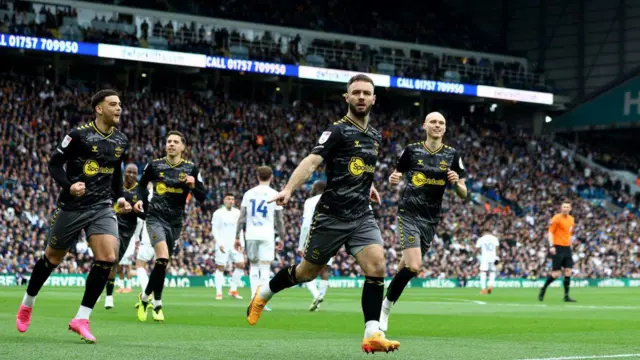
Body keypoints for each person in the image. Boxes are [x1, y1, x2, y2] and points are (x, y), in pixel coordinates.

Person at [246, 74, 400, 353]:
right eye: (356, 93)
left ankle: (372, 333)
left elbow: (358, 166)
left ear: (374, 99)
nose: (362, 97)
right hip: (332, 214)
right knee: (306, 273)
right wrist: (289, 189)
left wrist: (370, 186)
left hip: (361, 214)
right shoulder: (337, 131)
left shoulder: (375, 136)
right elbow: (312, 162)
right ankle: (264, 293)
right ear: (347, 98)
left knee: (377, 265)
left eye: (367, 93)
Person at [16, 90, 130, 343]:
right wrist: (69, 185)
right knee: (52, 258)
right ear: (99, 109)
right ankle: (28, 303)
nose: (119, 108)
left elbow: (116, 172)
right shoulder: (78, 136)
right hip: (72, 206)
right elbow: (54, 164)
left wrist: (120, 196)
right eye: (113, 104)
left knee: (108, 257)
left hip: (102, 206)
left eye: (120, 104)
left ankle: (81, 318)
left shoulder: (122, 140)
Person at [379, 112, 467, 333]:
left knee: (405, 267)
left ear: (445, 128)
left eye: (441, 123)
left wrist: (457, 184)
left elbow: (464, 193)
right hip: (409, 213)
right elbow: (395, 176)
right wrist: (393, 180)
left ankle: (385, 304)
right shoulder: (412, 150)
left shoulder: (453, 155)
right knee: (415, 266)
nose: (437, 125)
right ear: (424, 125)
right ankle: (385, 310)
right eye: (433, 122)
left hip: (431, 218)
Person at [133, 130, 207, 322]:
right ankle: (152, 301)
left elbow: (203, 196)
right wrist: (140, 200)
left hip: (175, 222)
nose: (171, 144)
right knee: (163, 258)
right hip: (155, 218)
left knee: (162, 265)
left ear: (183, 147)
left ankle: (152, 301)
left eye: (175, 142)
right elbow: (141, 185)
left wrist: (193, 185)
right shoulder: (155, 165)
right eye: (169, 141)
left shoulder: (191, 169)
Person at [236, 166, 285, 310]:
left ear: (257, 176)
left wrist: (236, 236)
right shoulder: (275, 194)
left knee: (254, 267)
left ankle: (253, 299)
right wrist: (281, 238)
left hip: (250, 234)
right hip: (266, 235)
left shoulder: (248, 193)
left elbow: (241, 217)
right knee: (265, 268)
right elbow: (279, 220)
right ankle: (261, 302)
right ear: (271, 177)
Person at [105, 164, 144, 309]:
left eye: (134, 172)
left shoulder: (140, 189)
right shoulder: (117, 186)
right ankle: (108, 297)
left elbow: (145, 213)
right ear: (124, 172)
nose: (132, 175)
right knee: (111, 259)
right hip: (113, 224)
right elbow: (108, 205)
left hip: (128, 230)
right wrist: (119, 209)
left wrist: (135, 210)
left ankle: (107, 293)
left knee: (114, 262)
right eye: (129, 172)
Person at [297, 180, 331, 311]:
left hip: (315, 237)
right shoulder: (333, 200)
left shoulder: (310, 201)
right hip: (331, 238)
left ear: (316, 189)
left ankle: (316, 295)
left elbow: (306, 225)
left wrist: (301, 245)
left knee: (305, 270)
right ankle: (319, 300)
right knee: (325, 270)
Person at [538, 200, 577, 302]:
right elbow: (550, 232)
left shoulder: (572, 219)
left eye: (567, 207)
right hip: (557, 247)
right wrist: (551, 246)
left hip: (567, 248)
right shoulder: (556, 218)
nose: (565, 209)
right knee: (556, 274)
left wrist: (570, 245)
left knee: (568, 271)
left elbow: (569, 234)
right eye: (564, 207)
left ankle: (566, 296)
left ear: (570, 209)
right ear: (561, 208)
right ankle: (543, 289)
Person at [211, 193, 245, 300]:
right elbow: (215, 229)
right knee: (220, 267)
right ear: (224, 200)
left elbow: (241, 230)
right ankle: (219, 292)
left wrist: (242, 243)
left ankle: (233, 290)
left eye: (232, 199)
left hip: (235, 244)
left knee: (241, 265)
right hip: (223, 244)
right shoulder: (218, 213)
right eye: (228, 199)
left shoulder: (238, 213)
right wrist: (219, 243)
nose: (231, 201)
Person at [476, 228, 500, 295]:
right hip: (493, 257)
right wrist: (497, 258)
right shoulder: (495, 238)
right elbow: (497, 249)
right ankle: (490, 286)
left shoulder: (481, 239)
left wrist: (476, 255)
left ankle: (483, 289)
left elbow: (477, 249)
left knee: (483, 272)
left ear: (484, 232)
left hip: (484, 258)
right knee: (492, 272)